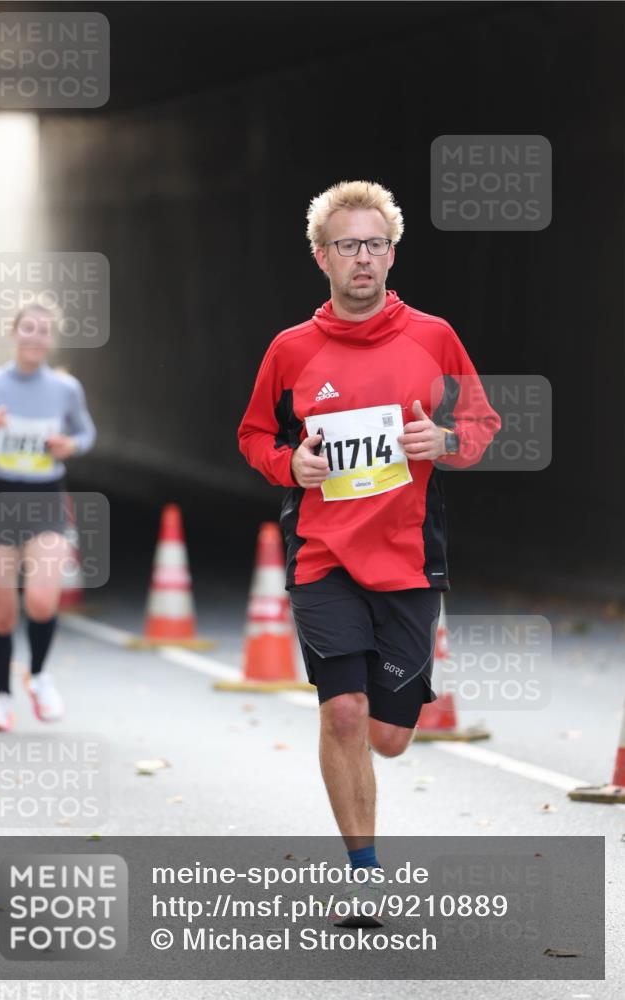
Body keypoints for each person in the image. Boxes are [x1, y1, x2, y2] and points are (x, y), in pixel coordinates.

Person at [238, 180, 501, 923]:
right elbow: (255, 434)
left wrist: (442, 442)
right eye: (347, 245)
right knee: (345, 714)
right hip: (321, 557)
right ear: (321, 255)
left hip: (409, 560)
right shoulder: (290, 349)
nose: (363, 258)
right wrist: (290, 466)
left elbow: (480, 421)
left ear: (392, 252)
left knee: (387, 737)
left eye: (375, 244)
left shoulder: (433, 336)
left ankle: (394, 713)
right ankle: (362, 875)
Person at [0, 302, 96, 731]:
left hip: (46, 498)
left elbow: (86, 432)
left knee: (40, 599)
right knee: (1, 613)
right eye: (28, 328)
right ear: (14, 333)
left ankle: (37, 676)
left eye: (43, 330)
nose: (35, 337)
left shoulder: (65, 388)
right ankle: (1, 699)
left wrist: (69, 446)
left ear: (51, 339)